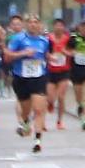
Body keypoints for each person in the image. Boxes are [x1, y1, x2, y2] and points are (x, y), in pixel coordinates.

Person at [5, 14, 52, 153]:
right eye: (30, 22)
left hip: (38, 77)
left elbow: (46, 56)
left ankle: (38, 140)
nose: (33, 24)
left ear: (39, 25)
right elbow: (8, 55)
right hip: (21, 78)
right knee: (26, 110)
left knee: (38, 109)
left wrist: (51, 58)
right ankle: (25, 122)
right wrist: (23, 53)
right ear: (26, 25)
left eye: (35, 22)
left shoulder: (44, 41)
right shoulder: (18, 39)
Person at [45, 18, 74, 128]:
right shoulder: (48, 39)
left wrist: (65, 52)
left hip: (64, 71)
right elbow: (45, 52)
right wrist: (50, 57)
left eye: (61, 25)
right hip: (51, 71)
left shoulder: (68, 39)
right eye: (57, 25)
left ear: (64, 27)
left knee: (61, 97)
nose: (59, 27)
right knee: (50, 98)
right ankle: (51, 104)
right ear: (53, 27)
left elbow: (73, 53)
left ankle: (59, 121)